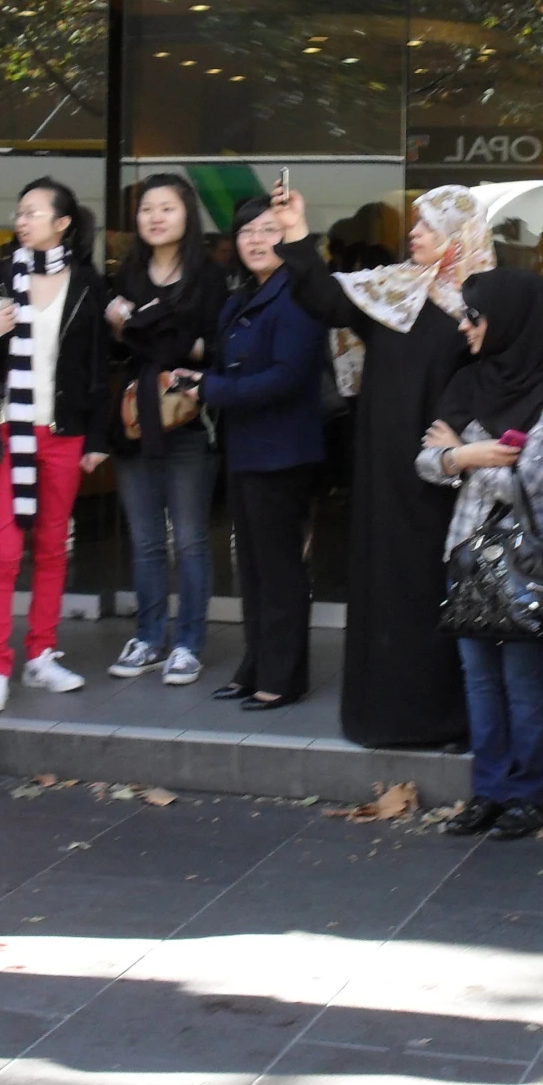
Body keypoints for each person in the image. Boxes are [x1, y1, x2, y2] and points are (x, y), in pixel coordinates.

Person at [270, 183, 492, 746]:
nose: (414, 233)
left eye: (430, 226)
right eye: (415, 224)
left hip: (450, 478)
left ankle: (447, 718)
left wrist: (465, 442)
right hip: (383, 473)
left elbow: (506, 381)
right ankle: (382, 717)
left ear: (461, 238)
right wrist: (296, 229)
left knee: (437, 589)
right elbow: (324, 299)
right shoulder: (394, 290)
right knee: (385, 587)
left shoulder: (484, 307)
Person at [418, 266, 543, 840]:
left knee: (523, 676)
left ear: (508, 318)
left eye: (474, 316)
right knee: (479, 677)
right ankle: (489, 790)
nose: (464, 326)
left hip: (529, 548)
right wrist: (471, 457)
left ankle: (529, 795)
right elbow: (424, 462)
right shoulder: (466, 382)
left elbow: (526, 480)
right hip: (466, 546)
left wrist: (462, 454)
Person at [0, 178, 112, 713]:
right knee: (4, 551)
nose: (21, 220)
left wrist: (97, 437)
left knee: (52, 548)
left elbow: (99, 369)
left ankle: (41, 653)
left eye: (32, 212)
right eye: (18, 211)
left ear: (62, 223)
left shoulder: (90, 285)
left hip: (65, 433)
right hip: (10, 430)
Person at [189, 199, 327, 710]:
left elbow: (286, 378)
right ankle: (254, 666)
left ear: (287, 237)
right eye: (245, 230)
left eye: (268, 230)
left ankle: (284, 676)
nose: (254, 239)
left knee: (281, 570)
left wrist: (212, 389)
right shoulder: (240, 297)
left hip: (283, 452)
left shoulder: (298, 297)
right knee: (251, 569)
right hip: (245, 450)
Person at [105, 173, 226, 687]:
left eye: (167, 208)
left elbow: (216, 350)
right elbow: (112, 354)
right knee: (147, 540)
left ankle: (188, 643)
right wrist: (121, 329)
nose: (155, 217)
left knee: (192, 539)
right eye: (147, 209)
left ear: (186, 216)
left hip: (189, 423)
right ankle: (149, 637)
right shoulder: (124, 276)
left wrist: (150, 332)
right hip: (134, 422)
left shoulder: (209, 278)